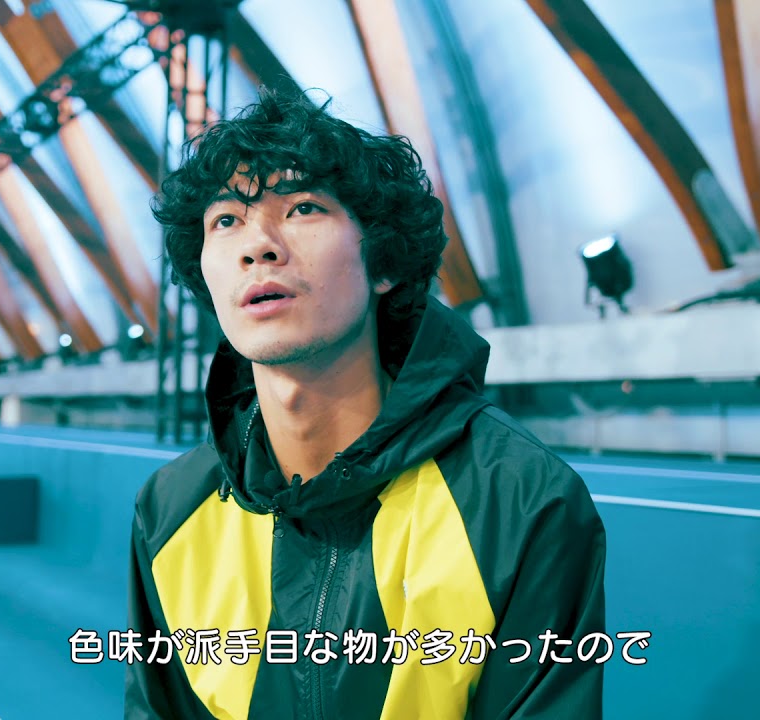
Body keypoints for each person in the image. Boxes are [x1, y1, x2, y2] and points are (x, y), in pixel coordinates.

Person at [125, 88, 606, 719]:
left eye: (302, 207)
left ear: (383, 264)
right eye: (226, 220)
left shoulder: (518, 498)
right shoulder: (170, 509)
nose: (257, 245)